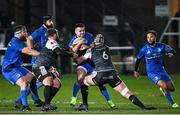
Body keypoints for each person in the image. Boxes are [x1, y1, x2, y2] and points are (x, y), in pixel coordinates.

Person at [76, 34, 156, 110]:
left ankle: (85, 105)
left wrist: (76, 53)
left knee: (83, 81)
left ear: (94, 41)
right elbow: (98, 49)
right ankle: (143, 107)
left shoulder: (90, 51)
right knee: (126, 93)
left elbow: (79, 60)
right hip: (112, 74)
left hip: (100, 75)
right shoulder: (107, 48)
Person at [68, 23, 116, 111]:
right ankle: (74, 98)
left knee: (100, 83)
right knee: (80, 79)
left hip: (93, 63)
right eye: (80, 31)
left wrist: (87, 46)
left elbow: (96, 45)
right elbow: (72, 52)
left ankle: (110, 102)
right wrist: (79, 44)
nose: (82, 33)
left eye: (83, 30)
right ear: (75, 31)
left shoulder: (89, 36)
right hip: (82, 63)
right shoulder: (73, 40)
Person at [32, 28, 77, 111]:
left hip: (46, 67)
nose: (58, 34)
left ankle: (46, 104)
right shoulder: (51, 41)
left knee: (57, 83)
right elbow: (59, 52)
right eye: (57, 33)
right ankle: (46, 105)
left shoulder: (53, 43)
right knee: (48, 81)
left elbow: (60, 50)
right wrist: (72, 55)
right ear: (54, 35)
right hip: (40, 66)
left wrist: (71, 50)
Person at [133, 30, 179, 108]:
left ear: (155, 37)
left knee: (172, 89)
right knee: (164, 86)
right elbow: (138, 59)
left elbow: (172, 51)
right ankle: (173, 103)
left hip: (162, 71)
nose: (149, 39)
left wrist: (172, 53)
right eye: (148, 37)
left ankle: (163, 89)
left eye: (151, 37)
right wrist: (135, 70)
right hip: (152, 72)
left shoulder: (161, 46)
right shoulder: (144, 49)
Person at [15, 15, 54, 107]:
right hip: (39, 61)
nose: (51, 22)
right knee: (44, 79)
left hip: (45, 60)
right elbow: (29, 38)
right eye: (49, 21)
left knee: (41, 80)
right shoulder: (40, 31)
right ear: (45, 22)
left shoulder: (47, 31)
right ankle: (21, 100)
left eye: (51, 21)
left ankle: (31, 100)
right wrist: (31, 49)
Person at [1, 25, 40, 111]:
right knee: (24, 83)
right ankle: (24, 106)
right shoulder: (16, 42)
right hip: (9, 69)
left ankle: (37, 101)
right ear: (19, 33)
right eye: (25, 32)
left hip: (16, 66)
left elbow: (28, 48)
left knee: (32, 78)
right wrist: (42, 54)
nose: (26, 34)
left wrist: (34, 47)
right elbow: (29, 51)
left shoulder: (18, 41)